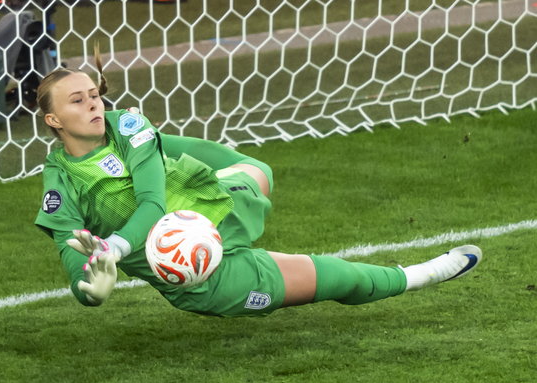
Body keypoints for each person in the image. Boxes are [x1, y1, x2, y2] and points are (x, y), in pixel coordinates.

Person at [33, 59, 482, 317]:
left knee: (256, 170)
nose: (93, 103)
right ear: (53, 121)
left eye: (93, 93)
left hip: (217, 211)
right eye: (78, 100)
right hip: (202, 277)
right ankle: (421, 274)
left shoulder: (126, 124)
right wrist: (87, 289)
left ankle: (243, 169)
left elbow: (151, 201)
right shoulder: (62, 185)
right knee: (332, 277)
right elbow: (73, 253)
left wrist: (115, 243)